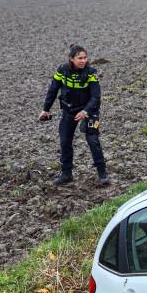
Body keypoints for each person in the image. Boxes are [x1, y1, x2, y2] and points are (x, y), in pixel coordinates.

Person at [39, 44, 109, 186]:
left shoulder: (91, 72)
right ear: (71, 59)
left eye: (85, 58)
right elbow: (53, 89)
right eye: (79, 58)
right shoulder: (62, 70)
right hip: (69, 110)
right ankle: (66, 174)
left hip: (89, 111)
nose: (83, 61)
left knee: (93, 140)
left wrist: (85, 112)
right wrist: (45, 109)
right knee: (65, 142)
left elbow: (96, 97)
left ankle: (103, 174)